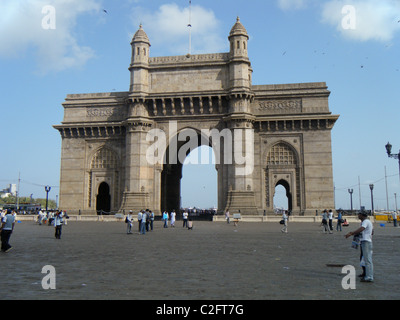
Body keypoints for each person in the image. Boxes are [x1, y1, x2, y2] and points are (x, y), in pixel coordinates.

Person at [345, 212, 374, 282]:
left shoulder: (366, 221)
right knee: (364, 259)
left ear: (363, 215)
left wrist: (351, 233)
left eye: (359, 214)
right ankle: (366, 274)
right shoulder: (365, 222)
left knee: (367, 260)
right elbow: (372, 231)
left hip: (366, 242)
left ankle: (369, 277)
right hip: (364, 241)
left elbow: (361, 229)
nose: (358, 215)